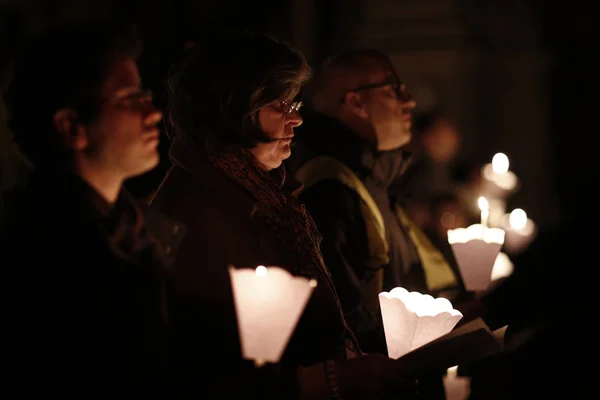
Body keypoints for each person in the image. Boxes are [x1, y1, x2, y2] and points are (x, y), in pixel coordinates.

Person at [150, 30, 418, 399]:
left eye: (296, 105)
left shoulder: (268, 195)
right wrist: (332, 379)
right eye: (280, 105)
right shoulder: (195, 214)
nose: (296, 121)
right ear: (232, 108)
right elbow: (207, 368)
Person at [0, 21, 179, 396]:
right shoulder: (39, 253)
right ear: (71, 126)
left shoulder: (133, 230)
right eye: (131, 99)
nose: (154, 113)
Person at [289, 50, 463, 357]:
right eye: (394, 90)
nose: (409, 101)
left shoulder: (376, 179)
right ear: (356, 102)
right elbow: (342, 320)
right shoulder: (329, 189)